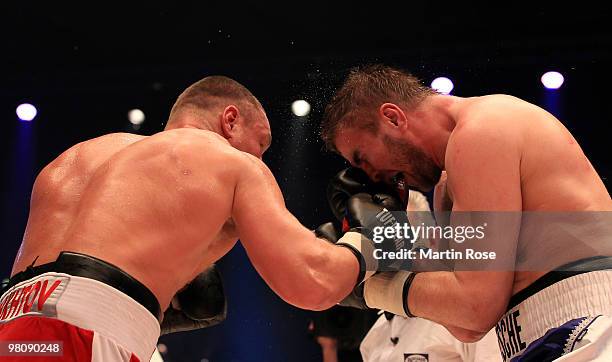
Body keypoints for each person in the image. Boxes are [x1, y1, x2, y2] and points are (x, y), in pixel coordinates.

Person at [0, 76, 374, 361]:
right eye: (260, 144)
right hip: (86, 336)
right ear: (231, 121)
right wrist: (376, 237)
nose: (260, 159)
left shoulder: (74, 158)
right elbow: (312, 281)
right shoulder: (229, 161)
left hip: (13, 329)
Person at [319, 64, 612, 361]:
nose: (373, 176)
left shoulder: (485, 127)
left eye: (363, 158)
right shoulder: (448, 187)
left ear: (392, 117)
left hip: (589, 326)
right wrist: (392, 257)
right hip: (538, 341)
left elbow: (476, 307)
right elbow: (466, 326)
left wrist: (366, 283)